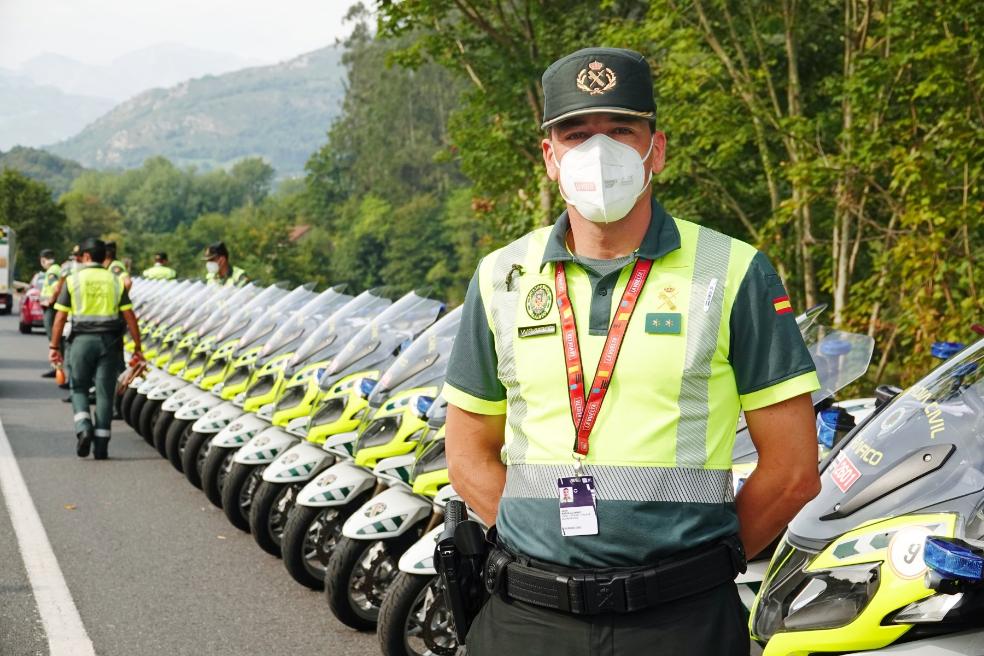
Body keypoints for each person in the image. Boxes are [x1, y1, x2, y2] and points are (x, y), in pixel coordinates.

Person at [442, 48, 822, 655]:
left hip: (680, 622)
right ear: (550, 158)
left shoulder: (734, 272)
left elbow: (794, 471)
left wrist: (682, 573)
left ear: (657, 150)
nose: (600, 151)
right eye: (576, 134)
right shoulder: (502, 277)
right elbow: (466, 454)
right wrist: (547, 553)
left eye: (622, 130)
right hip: (528, 619)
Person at [49, 238, 142, 460]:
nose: (79, 260)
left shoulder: (73, 280)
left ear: (88, 257)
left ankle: (83, 428)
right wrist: (138, 347)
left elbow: (60, 316)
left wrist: (54, 346)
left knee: (79, 387)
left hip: (81, 341)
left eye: (80, 256)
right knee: (104, 394)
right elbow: (130, 316)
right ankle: (101, 446)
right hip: (110, 343)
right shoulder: (115, 281)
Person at [38, 249, 61, 378]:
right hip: (54, 307)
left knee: (53, 340)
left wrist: (49, 301)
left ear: (43, 259)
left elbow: (56, 287)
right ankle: (57, 367)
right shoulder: (57, 269)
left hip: (51, 308)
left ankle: (57, 368)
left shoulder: (52, 271)